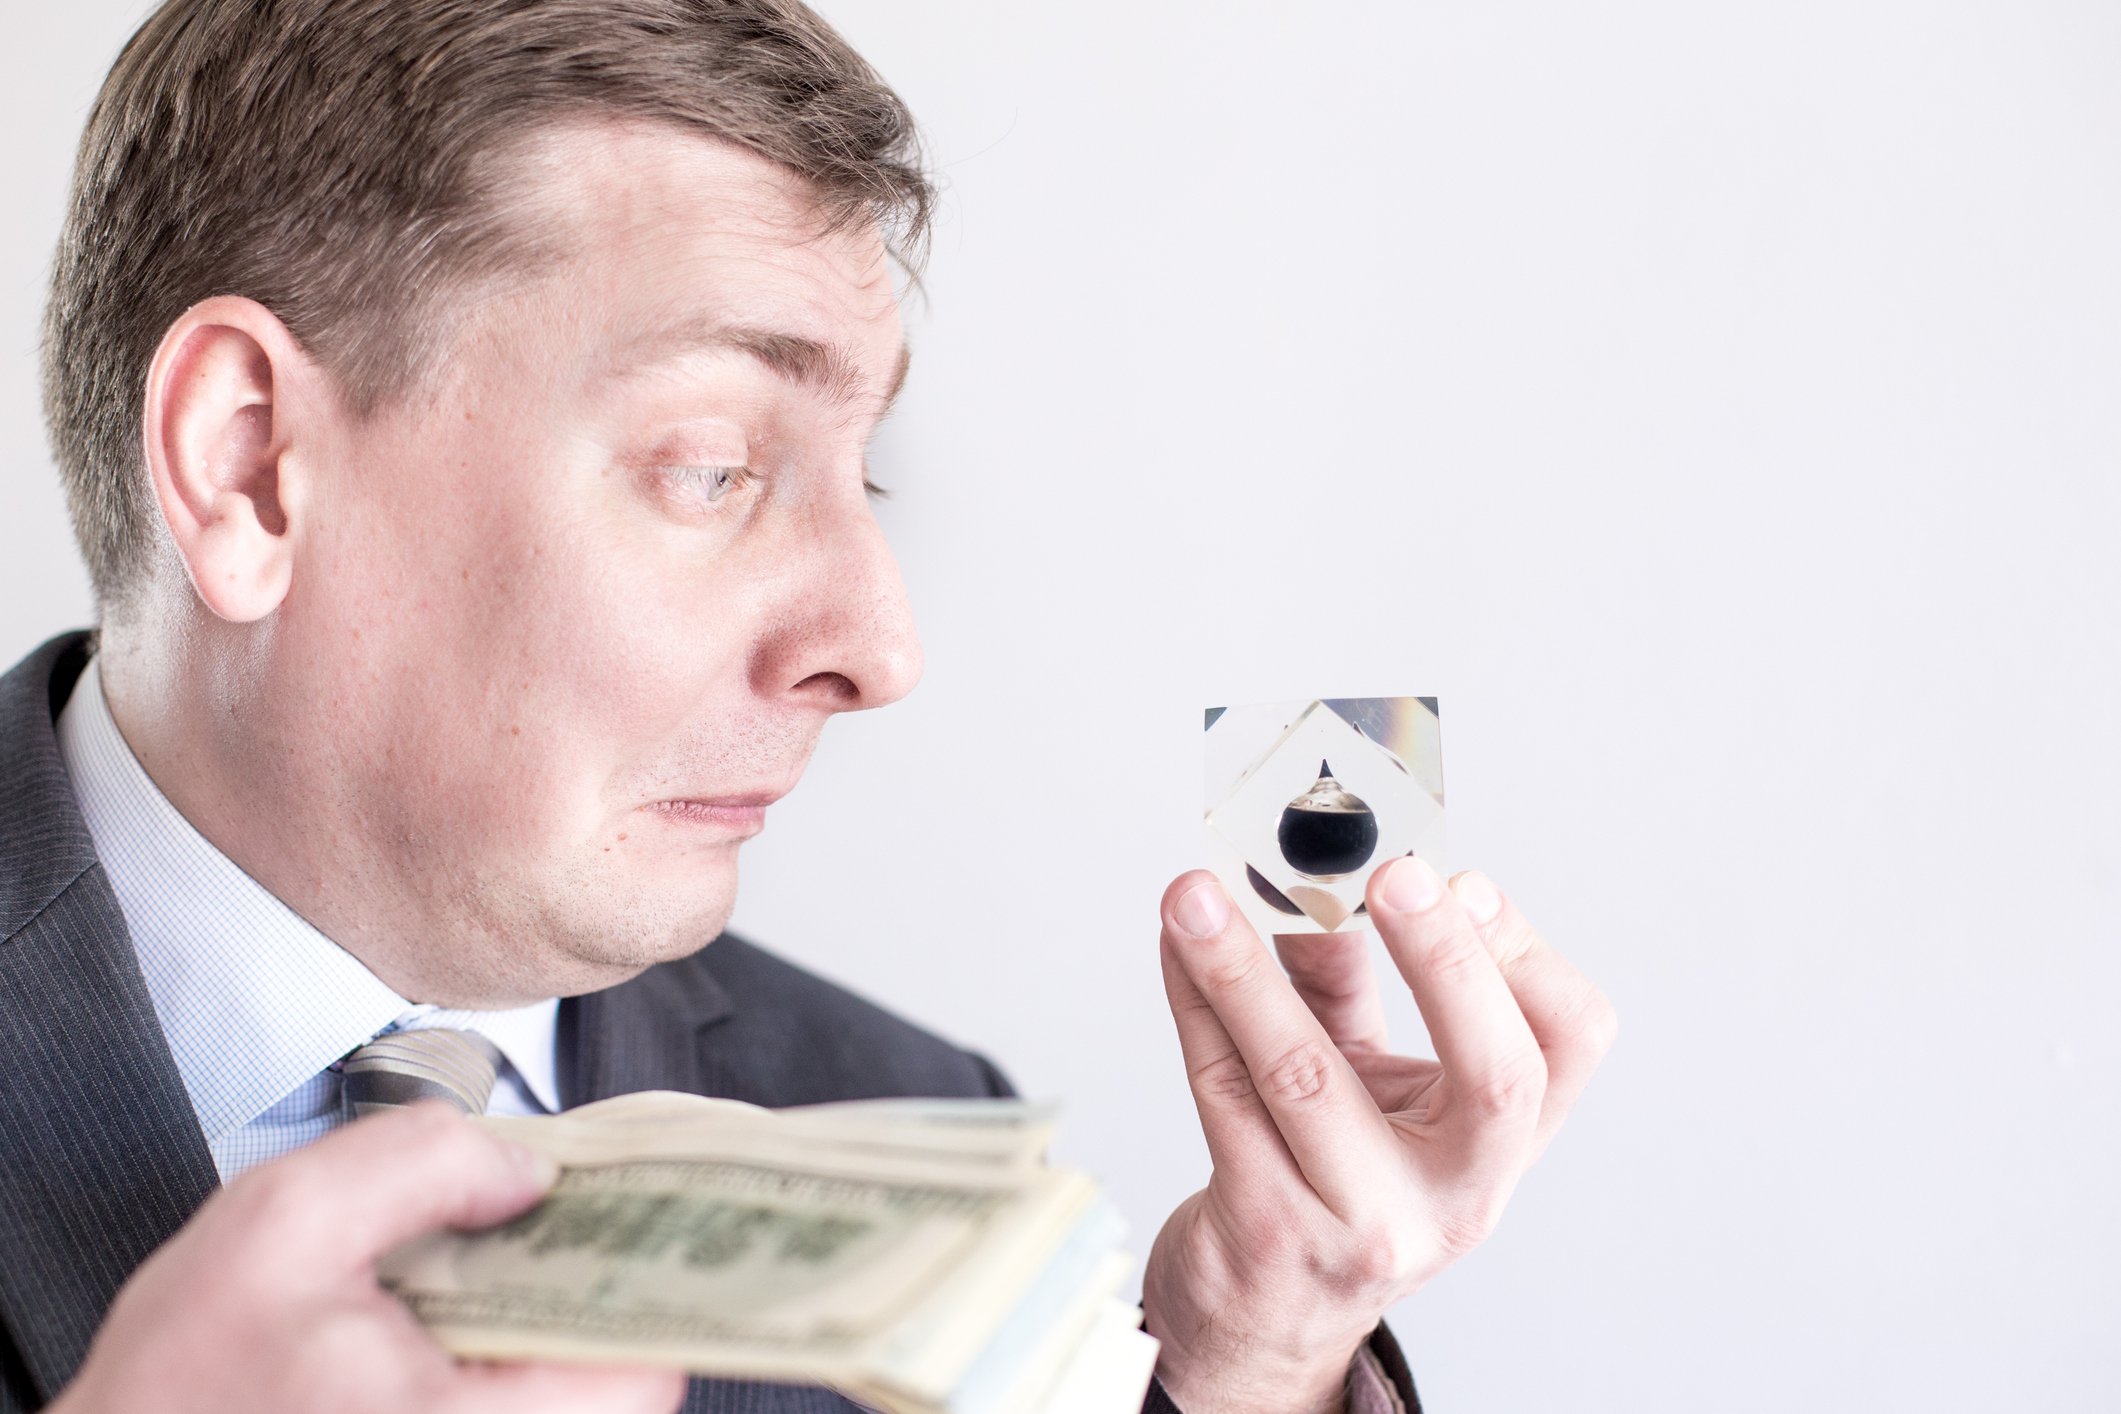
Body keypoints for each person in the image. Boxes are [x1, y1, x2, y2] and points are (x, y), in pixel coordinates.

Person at [0, 2, 1618, 1411]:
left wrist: (1248, 1367)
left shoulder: (907, 1120)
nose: (881, 646)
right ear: (248, 466)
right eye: (714, 466)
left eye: (870, 477)